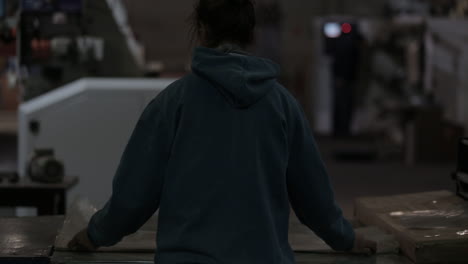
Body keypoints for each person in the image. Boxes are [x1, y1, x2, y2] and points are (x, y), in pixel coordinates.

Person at [68, 0, 370, 262]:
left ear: (200, 29)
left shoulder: (172, 104)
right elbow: (314, 198)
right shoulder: (282, 106)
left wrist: (95, 234)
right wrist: (346, 239)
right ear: (250, 34)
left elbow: (133, 198)